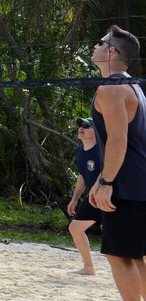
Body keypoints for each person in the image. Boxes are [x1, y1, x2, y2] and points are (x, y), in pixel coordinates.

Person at [87, 26, 146, 301]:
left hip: (127, 184)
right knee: (135, 254)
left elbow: (118, 142)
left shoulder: (111, 89)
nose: (95, 47)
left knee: (118, 253)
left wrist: (106, 181)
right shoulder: (135, 87)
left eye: (101, 43)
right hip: (138, 182)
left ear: (112, 52)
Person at [67, 117, 102, 275]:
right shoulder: (80, 150)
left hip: (112, 197)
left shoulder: (102, 149)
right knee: (75, 228)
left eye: (86, 126)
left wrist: (97, 187)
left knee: (123, 238)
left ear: (96, 131)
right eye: (80, 125)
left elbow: (108, 170)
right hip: (92, 199)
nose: (81, 128)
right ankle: (89, 267)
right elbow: (82, 176)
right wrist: (74, 199)